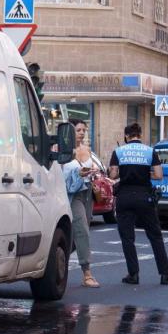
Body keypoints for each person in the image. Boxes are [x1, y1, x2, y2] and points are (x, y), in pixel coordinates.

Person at [108, 123, 168, 285]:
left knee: (127, 238)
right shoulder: (149, 151)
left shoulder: (118, 151)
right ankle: (165, 275)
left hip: (125, 197)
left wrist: (122, 172)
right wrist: (146, 174)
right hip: (144, 197)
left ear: (126, 136)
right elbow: (159, 175)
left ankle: (133, 275)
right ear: (140, 135)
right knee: (155, 236)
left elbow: (113, 175)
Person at [61, 118, 100, 288]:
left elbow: (94, 169)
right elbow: (58, 175)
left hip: (87, 193)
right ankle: (87, 274)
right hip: (72, 194)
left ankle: (54, 259)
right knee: (82, 230)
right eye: (78, 130)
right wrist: (78, 174)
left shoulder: (87, 149)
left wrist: (92, 174)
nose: (82, 133)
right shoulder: (60, 150)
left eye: (84, 130)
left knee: (78, 233)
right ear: (70, 132)